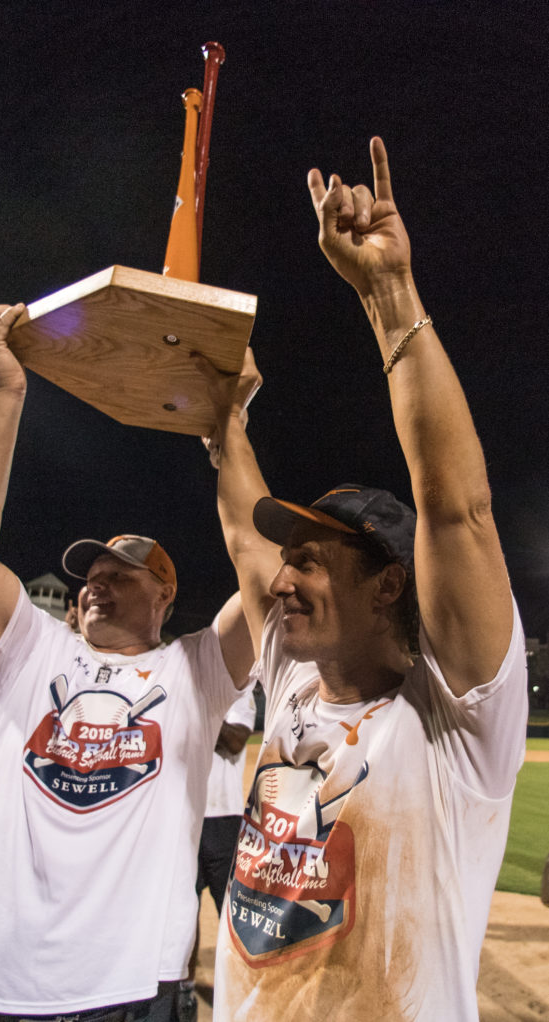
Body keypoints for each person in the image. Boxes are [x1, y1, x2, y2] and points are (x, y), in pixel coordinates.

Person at [195, 138, 528, 1020]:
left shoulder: (455, 718)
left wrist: (387, 295)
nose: (279, 582)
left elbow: (454, 508)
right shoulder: (291, 675)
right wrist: (223, 422)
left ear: (387, 583)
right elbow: (240, 523)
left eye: (309, 559)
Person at [0, 299, 255, 1021]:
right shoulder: (34, 650)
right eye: (91, 575)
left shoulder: (191, 672)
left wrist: (229, 432)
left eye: (121, 574)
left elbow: (266, 579)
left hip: (125, 988)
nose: (96, 583)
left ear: (165, 591)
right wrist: (6, 395)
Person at [176, 683, 256, 1022]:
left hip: (224, 820)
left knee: (234, 918)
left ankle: (242, 992)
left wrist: (197, 707)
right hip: (184, 819)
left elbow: (236, 739)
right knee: (182, 917)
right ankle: (185, 992)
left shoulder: (239, 692)